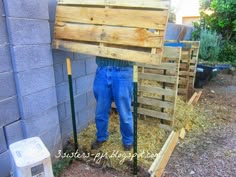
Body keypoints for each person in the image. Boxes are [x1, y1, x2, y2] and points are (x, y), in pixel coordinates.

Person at [91, 56, 134, 151]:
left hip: (123, 69)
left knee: (124, 112)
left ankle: (128, 140)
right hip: (103, 68)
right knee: (100, 110)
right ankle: (101, 137)